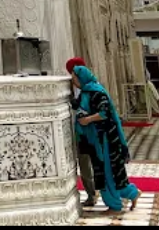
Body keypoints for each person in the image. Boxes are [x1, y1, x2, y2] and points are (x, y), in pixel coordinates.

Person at [71, 65, 140, 215]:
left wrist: (88, 120)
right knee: (110, 171)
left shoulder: (96, 92)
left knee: (107, 171)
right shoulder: (86, 92)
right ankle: (132, 193)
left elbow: (104, 112)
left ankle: (114, 206)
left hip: (105, 139)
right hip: (97, 139)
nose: (73, 81)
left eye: (74, 78)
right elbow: (78, 105)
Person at [66, 57, 98, 208]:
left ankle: (107, 193)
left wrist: (89, 119)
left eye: (74, 74)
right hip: (81, 133)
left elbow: (104, 111)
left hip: (93, 132)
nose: (72, 78)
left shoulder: (93, 89)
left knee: (96, 163)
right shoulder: (73, 87)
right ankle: (91, 194)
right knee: (84, 164)